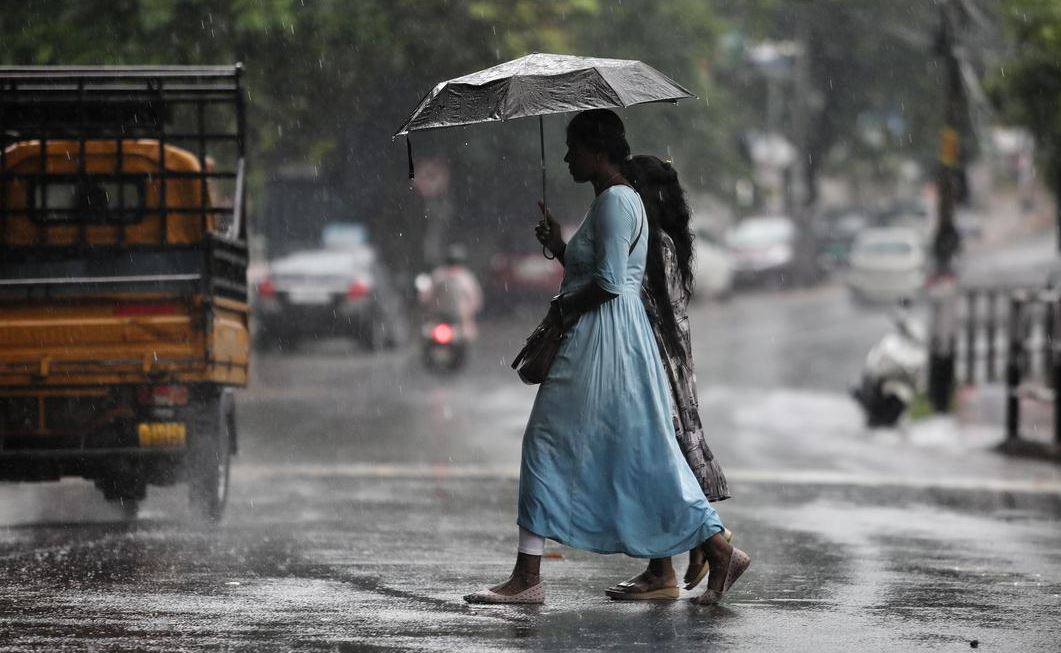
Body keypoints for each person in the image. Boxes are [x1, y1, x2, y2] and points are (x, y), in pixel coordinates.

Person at [463, 110, 749, 606]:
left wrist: (562, 306)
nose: (568, 157)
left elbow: (612, 283)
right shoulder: (617, 201)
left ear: (599, 150)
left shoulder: (616, 202)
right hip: (613, 338)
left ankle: (527, 578)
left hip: (602, 342)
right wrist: (560, 247)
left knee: (547, 443)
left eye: (574, 147)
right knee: (642, 453)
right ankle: (718, 548)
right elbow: (597, 269)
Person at [604, 154, 732, 601]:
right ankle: (679, 558)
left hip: (652, 367)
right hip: (669, 366)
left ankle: (702, 549)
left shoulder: (651, 243)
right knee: (660, 462)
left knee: (656, 462)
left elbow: (617, 291)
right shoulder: (669, 241)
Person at [420, 243, 483, 340]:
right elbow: (475, 300)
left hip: (443, 319)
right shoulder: (466, 277)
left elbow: (425, 297)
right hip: (452, 320)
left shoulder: (438, 275)